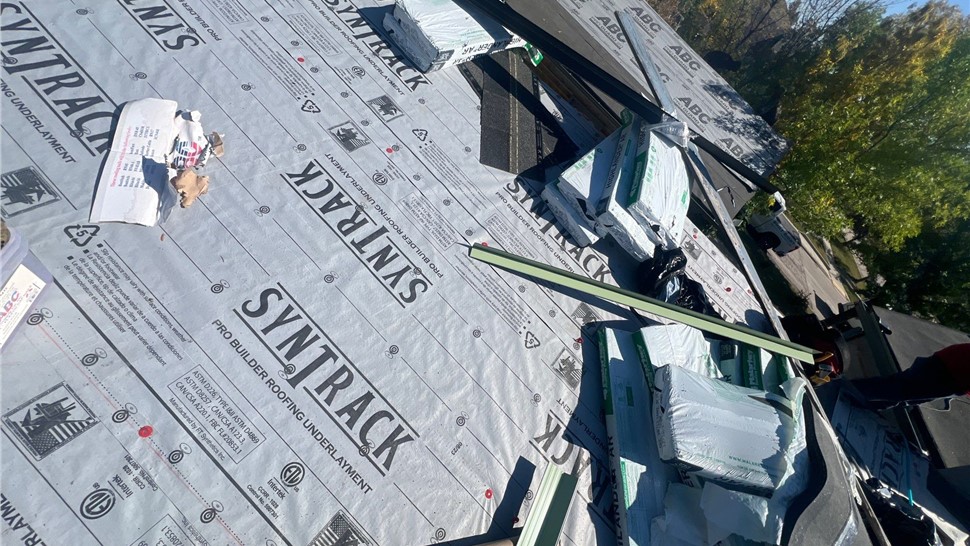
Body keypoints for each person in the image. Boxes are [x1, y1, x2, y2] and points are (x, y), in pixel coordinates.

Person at [850, 343, 970, 411]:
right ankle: (846, 392)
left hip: (950, 373)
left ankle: (858, 406)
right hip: (946, 371)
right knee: (897, 390)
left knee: (904, 396)